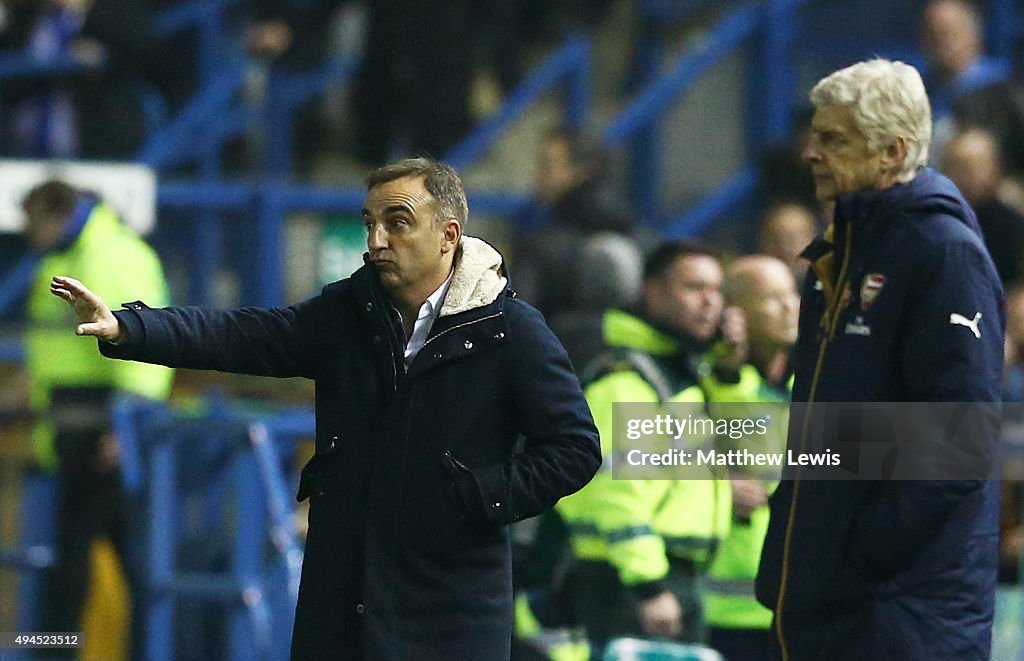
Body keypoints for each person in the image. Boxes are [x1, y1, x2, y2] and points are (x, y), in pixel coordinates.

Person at [50, 158, 602, 660]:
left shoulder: (511, 331)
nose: (377, 239)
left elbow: (576, 449)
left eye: (398, 221)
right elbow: (245, 335)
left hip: (450, 611)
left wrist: (476, 497)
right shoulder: (348, 310)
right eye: (369, 223)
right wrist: (131, 327)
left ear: (447, 235)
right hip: (341, 604)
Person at [755, 59, 1004, 659]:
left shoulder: (944, 255)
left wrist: (864, 552)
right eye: (816, 135)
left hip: (899, 610)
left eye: (833, 140)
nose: (812, 153)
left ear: (891, 152)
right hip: (828, 596)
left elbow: (959, 440)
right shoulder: (833, 257)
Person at [555, 242, 763, 651]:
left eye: (717, 291)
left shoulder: (683, 374)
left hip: (676, 574)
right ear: (654, 292)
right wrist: (649, 586)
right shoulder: (630, 381)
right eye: (694, 288)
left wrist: (728, 371)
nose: (710, 303)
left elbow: (743, 439)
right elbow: (619, 495)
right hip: (631, 581)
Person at [23, 179, 174, 659]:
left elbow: (144, 340)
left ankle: (54, 653)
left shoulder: (111, 255)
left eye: (32, 220)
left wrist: (125, 427)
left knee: (79, 564)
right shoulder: (62, 260)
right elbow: (49, 350)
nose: (27, 233)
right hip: (79, 431)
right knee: (110, 562)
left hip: (106, 433)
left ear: (55, 213)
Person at [703, 255, 799, 661]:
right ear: (736, 313)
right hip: (727, 609)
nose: (790, 306)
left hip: (799, 603)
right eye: (773, 298)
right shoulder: (708, 384)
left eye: (792, 294)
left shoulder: (815, 383)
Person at [921, 0, 1024, 174]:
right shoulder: (921, 92)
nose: (940, 44)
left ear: (974, 34)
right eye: (932, 35)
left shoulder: (1005, 91)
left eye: (948, 33)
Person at [942, 126, 1024, 285]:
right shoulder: (931, 222)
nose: (966, 176)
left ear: (994, 166)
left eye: (974, 166)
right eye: (957, 166)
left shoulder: (1013, 227)